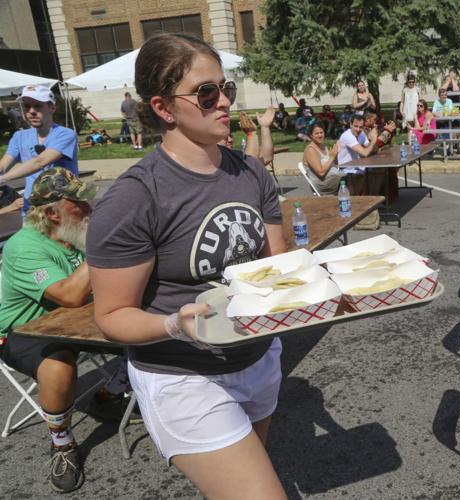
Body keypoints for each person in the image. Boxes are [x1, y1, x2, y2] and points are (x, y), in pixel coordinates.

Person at [85, 33, 287, 499]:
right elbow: (111, 317)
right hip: (181, 375)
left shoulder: (250, 171)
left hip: (257, 358)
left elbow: (276, 266)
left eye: (226, 88)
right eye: (206, 92)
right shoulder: (136, 197)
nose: (224, 102)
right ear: (163, 108)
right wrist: (176, 324)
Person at [0, 168, 97, 493]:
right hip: (20, 329)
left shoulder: (74, 234)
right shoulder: (24, 245)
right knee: (58, 365)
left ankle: (112, 390)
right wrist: (104, 241)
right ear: (52, 213)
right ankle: (62, 443)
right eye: (79, 203)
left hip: (74, 321)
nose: (89, 208)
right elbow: (69, 295)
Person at [0, 84, 79, 218]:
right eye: (27, 106)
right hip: (32, 208)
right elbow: (3, 165)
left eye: (37, 106)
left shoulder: (66, 134)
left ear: (52, 107)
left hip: (62, 207)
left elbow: (40, 162)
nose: (31, 111)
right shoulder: (19, 137)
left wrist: (3, 179)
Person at [337, 113, 378, 194]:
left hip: (357, 165)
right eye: (356, 126)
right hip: (346, 168)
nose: (358, 129)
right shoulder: (347, 136)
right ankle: (361, 199)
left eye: (361, 127)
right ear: (350, 125)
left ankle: (372, 199)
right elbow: (365, 153)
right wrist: (373, 141)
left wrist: (372, 138)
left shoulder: (361, 134)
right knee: (365, 174)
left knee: (379, 171)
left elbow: (375, 150)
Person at [302, 123, 342, 195]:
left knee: (359, 175)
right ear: (311, 135)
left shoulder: (323, 146)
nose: (320, 135)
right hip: (323, 183)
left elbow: (334, 165)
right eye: (316, 133)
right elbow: (321, 172)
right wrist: (332, 156)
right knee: (352, 179)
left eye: (321, 132)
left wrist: (335, 156)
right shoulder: (310, 150)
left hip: (333, 177)